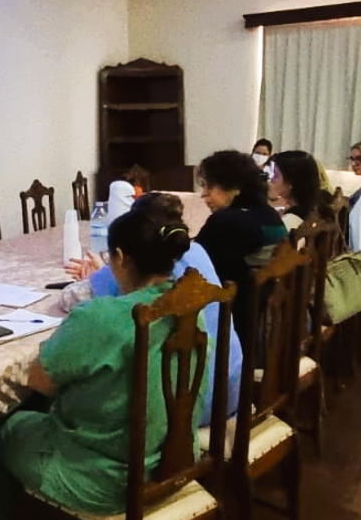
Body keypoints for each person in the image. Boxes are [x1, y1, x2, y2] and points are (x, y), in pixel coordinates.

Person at [0, 208, 203, 520]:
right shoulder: (193, 300)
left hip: (105, 481)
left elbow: (39, 380)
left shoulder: (101, 317)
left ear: (118, 258)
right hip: (175, 456)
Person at [63, 192, 242, 424]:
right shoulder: (197, 252)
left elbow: (70, 298)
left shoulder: (135, 262)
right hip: (228, 392)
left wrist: (102, 272)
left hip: (181, 411)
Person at [194, 150, 288, 338]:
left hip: (233, 329)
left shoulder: (227, 221)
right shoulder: (269, 215)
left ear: (234, 186)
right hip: (266, 327)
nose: (203, 195)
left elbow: (193, 269)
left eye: (208, 187)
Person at [267, 150, 333, 231]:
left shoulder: (291, 220)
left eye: (276, 175)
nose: (271, 179)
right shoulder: (316, 207)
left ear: (291, 182)